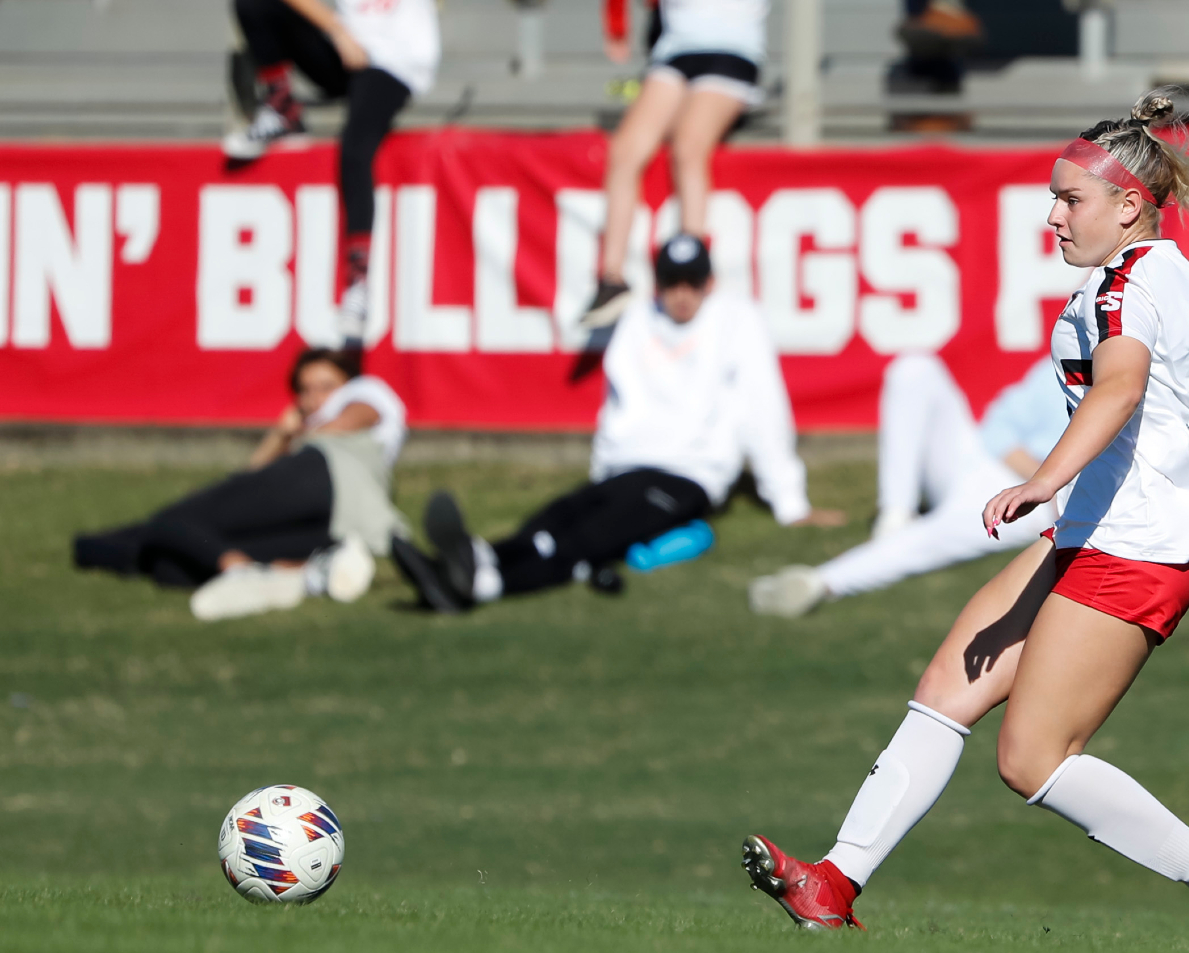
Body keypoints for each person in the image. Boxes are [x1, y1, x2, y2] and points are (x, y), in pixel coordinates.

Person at [739, 91, 1189, 943]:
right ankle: (833, 883)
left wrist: (1047, 478)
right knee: (946, 690)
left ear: (1129, 205)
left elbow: (1119, 387)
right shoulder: (1173, 274)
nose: (1053, 216)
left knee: (1030, 760)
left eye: (1071, 199)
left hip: (1134, 547)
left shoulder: (1124, 294)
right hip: (1099, 529)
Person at [394, 234, 844, 612]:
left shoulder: (737, 321)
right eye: (672, 282)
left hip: (689, 473)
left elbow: (764, 410)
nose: (682, 293)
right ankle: (473, 559)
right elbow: (616, 405)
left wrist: (790, 503)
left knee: (588, 540)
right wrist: (601, 479)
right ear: (657, 283)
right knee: (555, 518)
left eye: (692, 282)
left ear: (710, 282)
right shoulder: (637, 321)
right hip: (625, 466)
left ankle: (482, 585)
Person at [73, 348, 410, 621]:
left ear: (347, 383)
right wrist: (281, 434)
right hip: (338, 525)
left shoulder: (365, 393)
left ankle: (235, 567)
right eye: (305, 391)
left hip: (322, 479)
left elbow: (350, 420)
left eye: (325, 386)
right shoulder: (303, 438)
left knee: (173, 522)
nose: (314, 398)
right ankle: (304, 575)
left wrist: (298, 433)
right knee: (170, 567)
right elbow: (252, 478)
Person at [748, 352, 1069, 618]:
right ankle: (894, 518)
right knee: (915, 369)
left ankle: (820, 582)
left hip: (1039, 506)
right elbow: (998, 427)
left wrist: (1047, 488)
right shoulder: (1075, 349)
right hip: (992, 462)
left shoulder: (1117, 382)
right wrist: (1040, 478)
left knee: (938, 536)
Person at [224, 0, 441, 347]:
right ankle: (282, 107)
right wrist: (337, 29)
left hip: (395, 62)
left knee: (355, 149)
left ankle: (359, 283)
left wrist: (338, 30)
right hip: (347, 50)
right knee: (254, 4)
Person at [580, 0, 769, 328]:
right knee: (624, 151)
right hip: (675, 52)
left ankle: (690, 270)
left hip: (733, 49)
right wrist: (616, 26)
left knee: (688, 147)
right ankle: (612, 279)